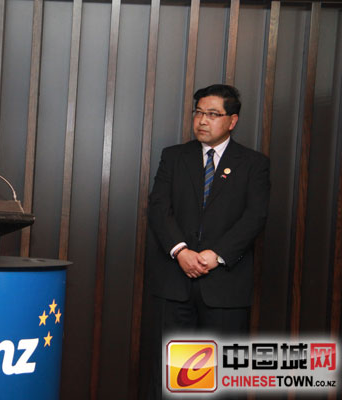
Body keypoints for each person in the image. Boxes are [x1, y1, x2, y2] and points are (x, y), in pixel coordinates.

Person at [145, 84, 270, 397]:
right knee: (172, 378)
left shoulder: (253, 163)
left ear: (232, 120)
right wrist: (181, 251)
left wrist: (218, 254)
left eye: (213, 114)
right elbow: (159, 207)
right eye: (198, 112)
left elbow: (255, 217)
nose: (202, 120)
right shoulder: (174, 157)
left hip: (225, 287)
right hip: (175, 284)